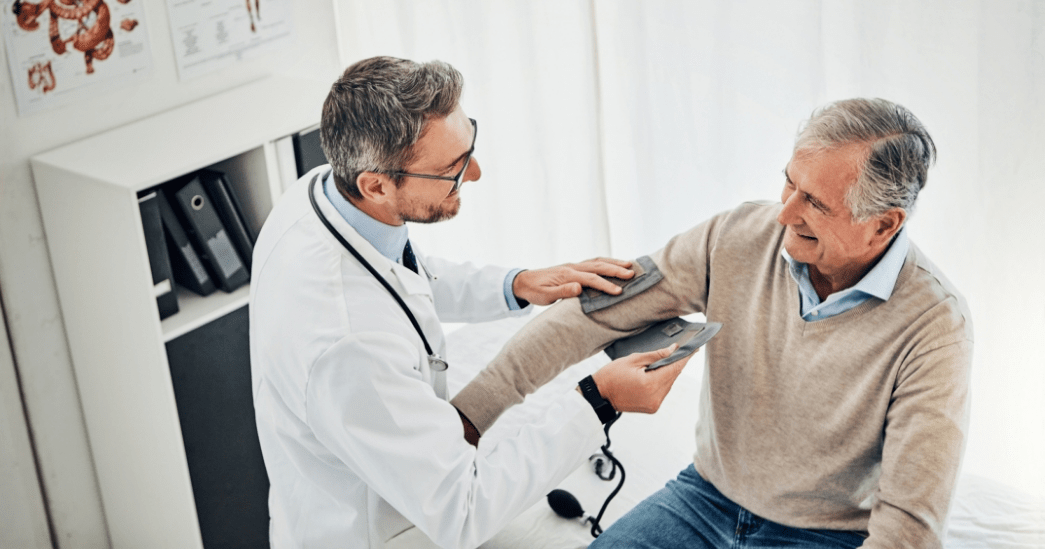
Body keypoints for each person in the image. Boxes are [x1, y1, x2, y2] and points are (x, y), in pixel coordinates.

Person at [452, 98, 973, 548]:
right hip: (704, 497)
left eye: (814, 203)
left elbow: (908, 525)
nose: (784, 214)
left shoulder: (935, 325)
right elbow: (595, 312)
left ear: (883, 225)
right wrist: (470, 416)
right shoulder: (736, 236)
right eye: (789, 183)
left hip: (827, 534)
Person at [249, 56, 693, 549]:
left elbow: (405, 276)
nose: (476, 173)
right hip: (374, 532)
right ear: (376, 184)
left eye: (469, 146)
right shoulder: (348, 345)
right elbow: (462, 512)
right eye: (452, 169)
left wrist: (518, 284)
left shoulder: (324, 193)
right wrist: (598, 400)